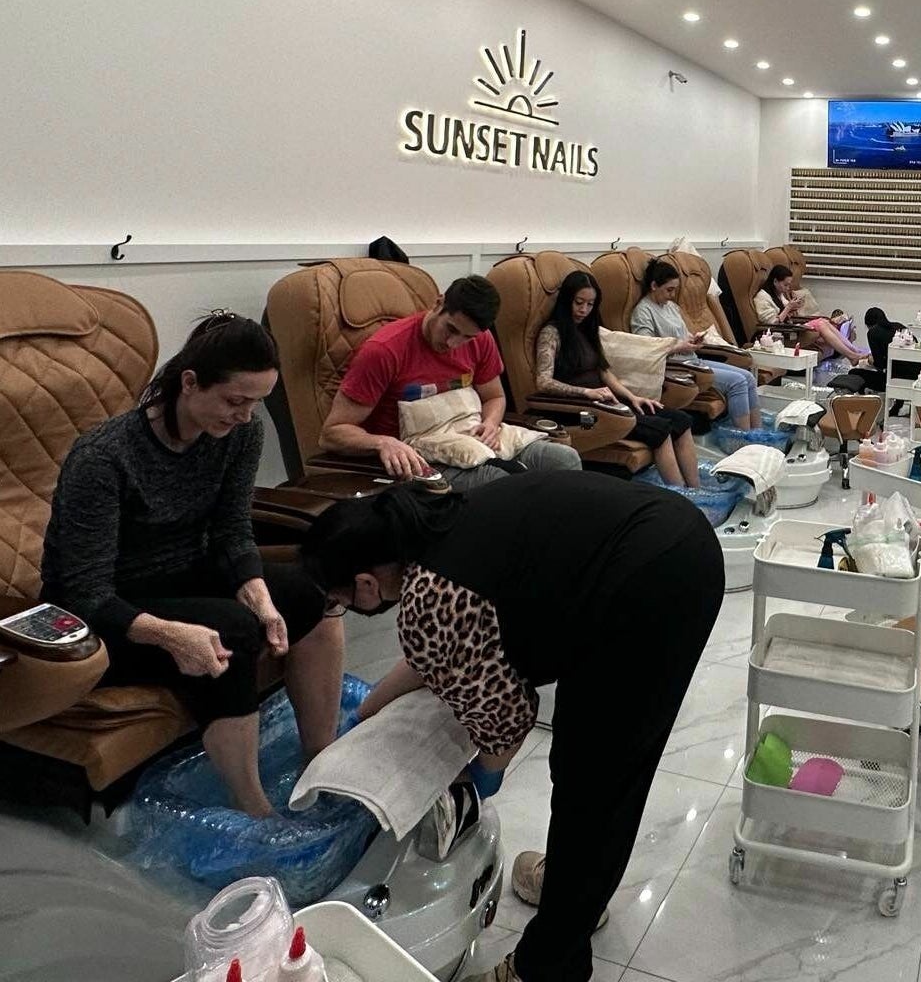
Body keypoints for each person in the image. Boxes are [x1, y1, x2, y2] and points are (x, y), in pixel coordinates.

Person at [297, 472, 722, 982]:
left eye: (343, 601)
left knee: (594, 781)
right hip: (670, 541)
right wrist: (365, 715)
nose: (349, 610)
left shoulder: (431, 593)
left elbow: (506, 720)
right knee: (599, 774)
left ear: (366, 583)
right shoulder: (436, 525)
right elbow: (432, 657)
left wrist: (477, 779)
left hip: (651, 586)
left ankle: (548, 965)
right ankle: (576, 893)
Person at [40, 314, 342, 818]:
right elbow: (83, 592)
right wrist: (171, 634)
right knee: (231, 631)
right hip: (111, 602)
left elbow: (230, 530)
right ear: (189, 383)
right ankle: (253, 809)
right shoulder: (104, 458)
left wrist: (257, 590)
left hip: (185, 571)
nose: (245, 416)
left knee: (310, 595)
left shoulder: (241, 434)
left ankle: (321, 760)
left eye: (256, 403)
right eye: (234, 401)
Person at [321, 275, 582, 486]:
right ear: (438, 303)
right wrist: (382, 442)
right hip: (419, 452)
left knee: (564, 460)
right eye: (451, 329)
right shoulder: (384, 351)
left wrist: (490, 423)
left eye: (466, 337)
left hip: (470, 436)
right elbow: (332, 434)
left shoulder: (481, 340)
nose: (452, 343)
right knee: (500, 483)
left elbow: (494, 397)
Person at [537, 270, 702, 487]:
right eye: (578, 303)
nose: (583, 310)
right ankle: (682, 498)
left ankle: (696, 491)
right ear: (567, 299)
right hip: (582, 412)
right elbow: (543, 381)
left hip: (607, 402)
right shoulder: (552, 333)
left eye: (589, 304)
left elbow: (604, 371)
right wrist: (586, 392)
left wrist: (633, 397)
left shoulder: (587, 330)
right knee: (659, 430)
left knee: (680, 420)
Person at [630, 258, 761, 429]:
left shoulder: (670, 307)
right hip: (676, 369)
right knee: (737, 382)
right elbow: (647, 350)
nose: (671, 295)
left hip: (691, 361)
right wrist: (679, 346)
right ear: (654, 286)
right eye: (669, 290)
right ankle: (742, 441)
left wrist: (693, 339)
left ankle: (758, 434)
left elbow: (682, 335)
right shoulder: (643, 312)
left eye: (674, 290)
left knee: (749, 377)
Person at [753, 264, 869, 361]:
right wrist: (788, 308)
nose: (788, 288)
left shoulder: (779, 294)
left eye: (789, 284)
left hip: (791, 328)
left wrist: (793, 308)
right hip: (779, 335)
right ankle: (853, 355)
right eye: (786, 285)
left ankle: (854, 351)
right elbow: (772, 323)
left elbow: (785, 316)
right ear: (775, 281)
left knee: (823, 322)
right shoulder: (762, 298)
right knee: (820, 324)